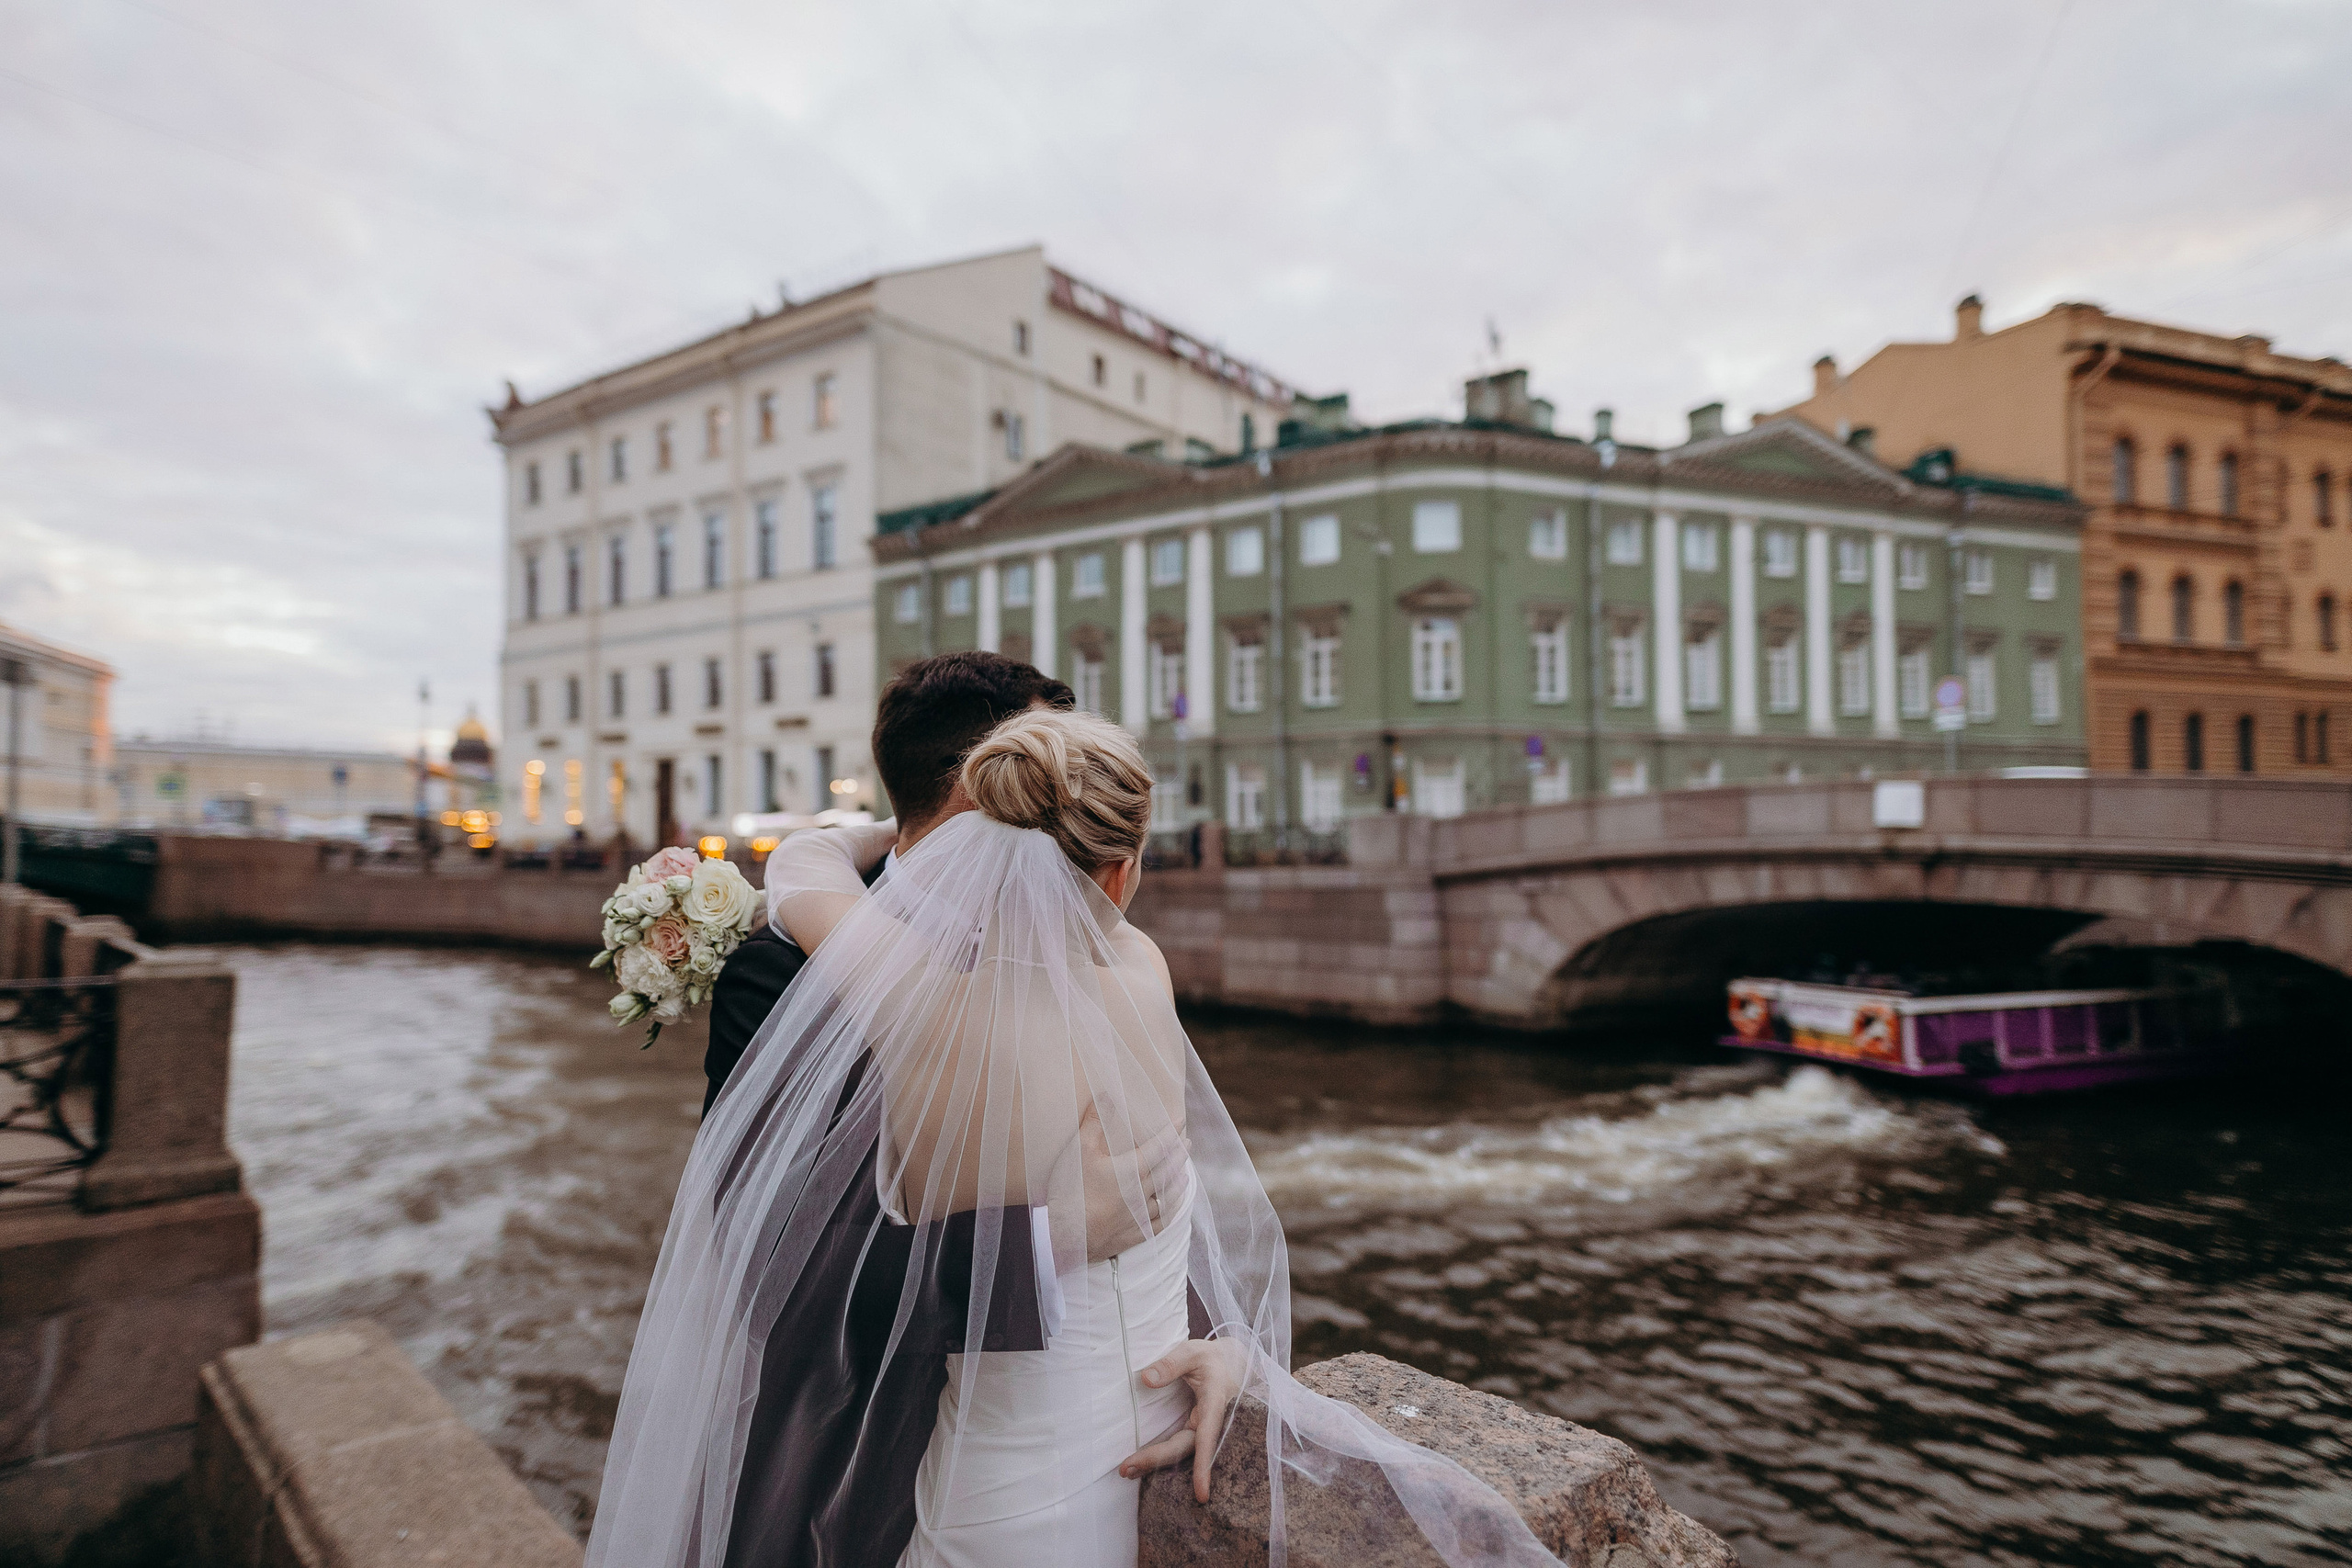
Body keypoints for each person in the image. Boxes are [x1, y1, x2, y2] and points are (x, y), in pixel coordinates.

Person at [590, 695, 1556, 1567]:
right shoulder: (1142, 972)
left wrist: (914, 820)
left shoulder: (910, 999)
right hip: (1142, 1445)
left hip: (985, 1494)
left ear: (974, 837)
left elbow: (802, 865)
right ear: (1124, 872)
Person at [692, 652, 1208, 1566]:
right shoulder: (781, 973)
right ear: (981, 791)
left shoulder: (899, 979)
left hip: (1019, 1466)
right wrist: (1040, 1244)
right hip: (874, 1474)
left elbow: (1159, 1196)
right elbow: (768, 1263)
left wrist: (1214, 1342)